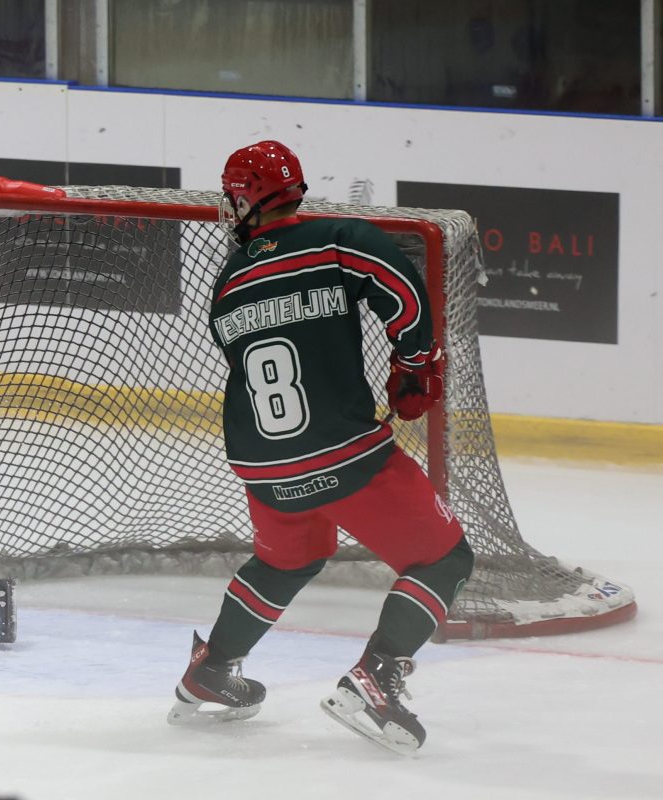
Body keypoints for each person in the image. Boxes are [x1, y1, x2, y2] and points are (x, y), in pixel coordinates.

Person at [167, 141, 474, 755]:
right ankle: (376, 678)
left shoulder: (228, 283)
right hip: (341, 449)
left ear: (246, 198)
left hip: (260, 459)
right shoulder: (337, 236)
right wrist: (414, 363)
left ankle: (212, 668)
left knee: (288, 561)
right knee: (445, 560)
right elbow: (402, 290)